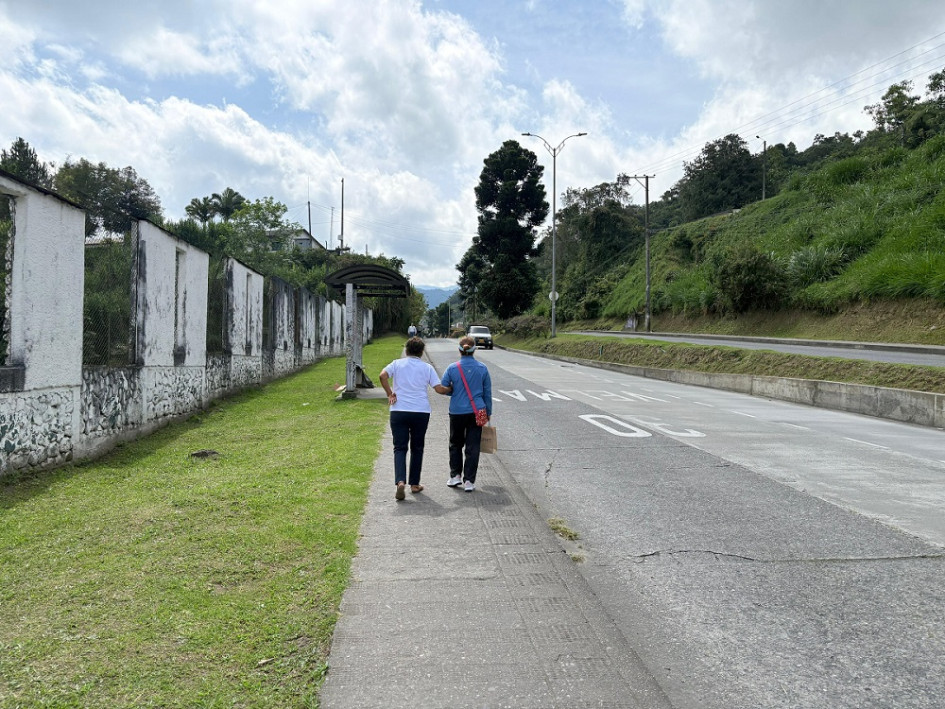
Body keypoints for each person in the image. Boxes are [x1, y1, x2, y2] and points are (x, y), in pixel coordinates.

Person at [379, 337, 450, 500]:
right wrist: (452, 388)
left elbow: (382, 376)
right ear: (421, 352)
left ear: (406, 350)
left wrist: (390, 394)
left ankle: (400, 481)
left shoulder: (396, 364)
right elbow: (439, 389)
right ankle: (414, 484)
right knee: (417, 447)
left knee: (399, 447)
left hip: (399, 410)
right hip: (420, 412)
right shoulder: (427, 368)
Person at [440, 336, 492, 492]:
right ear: (474, 349)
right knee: (473, 446)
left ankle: (455, 476)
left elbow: (444, 387)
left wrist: (455, 392)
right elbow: (487, 393)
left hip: (457, 410)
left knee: (455, 444)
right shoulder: (482, 368)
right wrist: (488, 412)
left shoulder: (452, 368)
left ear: (459, 350)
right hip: (478, 410)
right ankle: (469, 481)